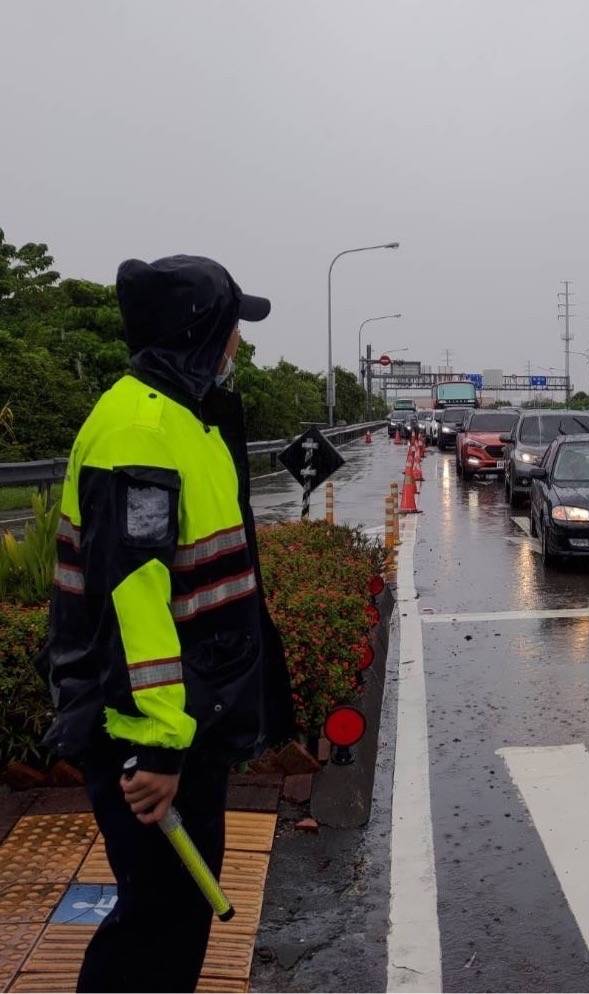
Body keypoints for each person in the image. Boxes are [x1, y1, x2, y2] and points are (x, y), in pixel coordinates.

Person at [37, 255, 294, 993]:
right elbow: (132, 599)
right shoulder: (142, 432)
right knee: (155, 926)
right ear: (201, 331)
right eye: (233, 327)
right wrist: (155, 747)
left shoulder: (184, 417)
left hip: (186, 722)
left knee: (171, 919)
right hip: (147, 732)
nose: (239, 345)